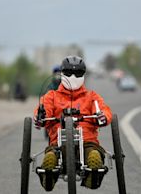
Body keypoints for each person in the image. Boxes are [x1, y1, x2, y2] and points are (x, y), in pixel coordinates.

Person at [34, 56, 112, 191]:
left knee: (93, 154)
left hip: (87, 142)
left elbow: (103, 110)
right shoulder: (51, 96)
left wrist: (103, 117)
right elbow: (43, 110)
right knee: (52, 155)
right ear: (62, 74)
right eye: (69, 73)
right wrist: (41, 117)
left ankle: (92, 175)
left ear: (83, 75)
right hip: (59, 143)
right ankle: (49, 175)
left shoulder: (91, 96)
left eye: (78, 73)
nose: (73, 77)